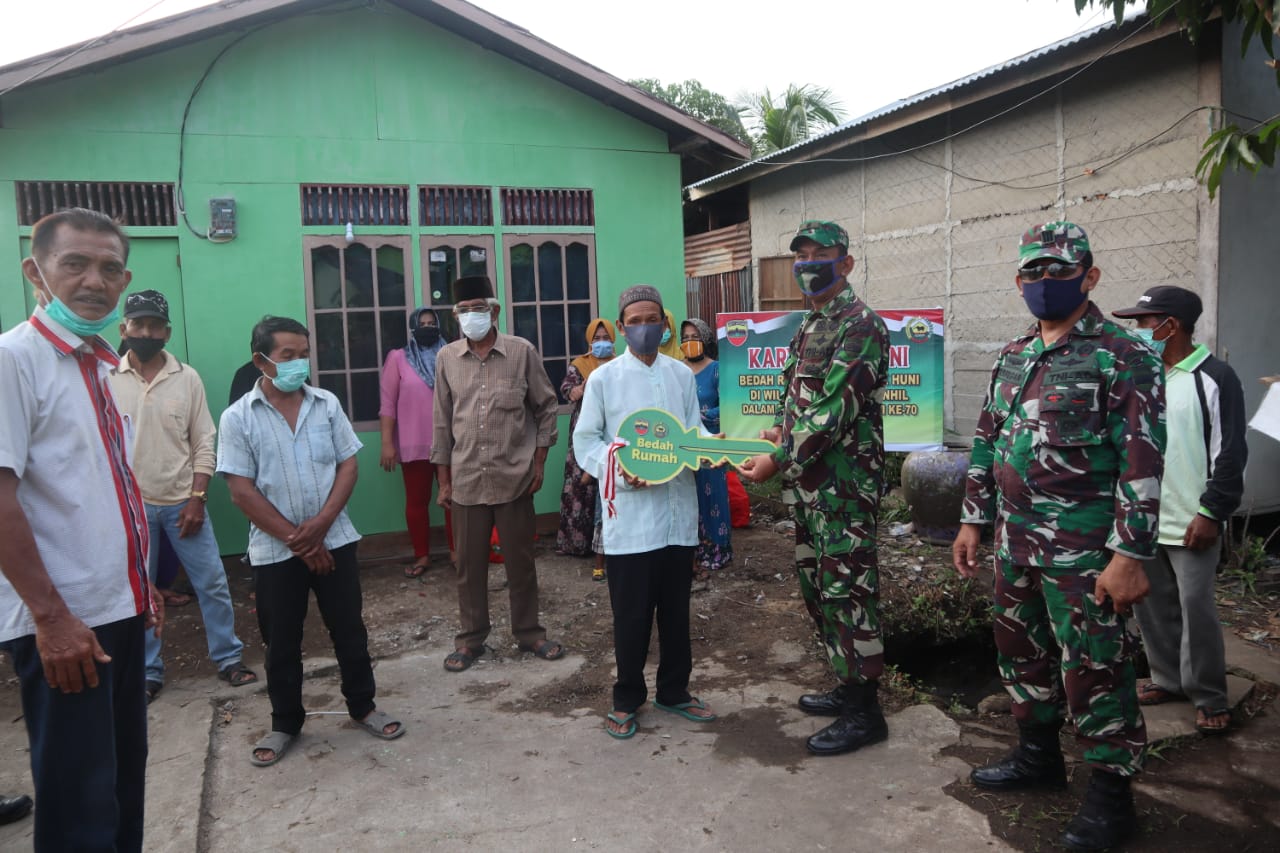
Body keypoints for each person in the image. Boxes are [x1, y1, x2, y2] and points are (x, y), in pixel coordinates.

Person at [952, 221, 1165, 852]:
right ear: (1020, 282)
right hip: (1015, 543)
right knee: (1021, 655)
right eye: (1033, 273)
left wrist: (1130, 553)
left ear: (1089, 276)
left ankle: (1109, 798)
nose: (1045, 283)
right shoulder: (1015, 355)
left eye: (1059, 271)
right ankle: (1038, 758)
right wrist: (972, 518)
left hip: (1085, 552)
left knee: (1097, 667)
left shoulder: (1124, 356)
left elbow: (1143, 462)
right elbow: (987, 441)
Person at [0, 207, 161, 851]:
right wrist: (51, 619)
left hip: (113, 613)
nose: (95, 280)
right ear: (35, 272)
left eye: (110, 267)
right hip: (66, 626)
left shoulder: (97, 364)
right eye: (76, 264)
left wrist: (139, 596)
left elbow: (101, 496)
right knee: (79, 809)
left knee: (121, 790)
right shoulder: (15, 359)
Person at [217, 316, 404, 766]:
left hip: (335, 537)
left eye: (304, 354)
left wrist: (320, 525)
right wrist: (299, 540)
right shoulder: (238, 417)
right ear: (261, 360)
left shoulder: (326, 404)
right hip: (274, 550)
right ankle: (285, 722)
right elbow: (241, 490)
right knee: (281, 639)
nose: (299, 363)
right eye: (288, 356)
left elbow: (348, 466)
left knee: (349, 629)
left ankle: (363, 706)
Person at [739, 220, 890, 758]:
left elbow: (833, 411)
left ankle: (865, 712)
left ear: (845, 262)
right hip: (811, 487)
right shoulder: (813, 323)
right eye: (800, 254)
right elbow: (802, 401)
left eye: (819, 253)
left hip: (843, 488)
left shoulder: (861, 324)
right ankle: (847, 684)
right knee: (818, 589)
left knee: (848, 592)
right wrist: (780, 429)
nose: (807, 263)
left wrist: (778, 456)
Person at [574, 285, 718, 738]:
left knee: (676, 612)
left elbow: (695, 432)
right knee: (632, 615)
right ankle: (627, 697)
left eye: (651, 319)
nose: (643, 328)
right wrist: (618, 466)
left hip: (677, 513)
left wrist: (734, 450)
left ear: (665, 323)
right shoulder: (604, 379)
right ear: (620, 328)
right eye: (633, 321)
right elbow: (586, 441)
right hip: (631, 520)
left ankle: (673, 691)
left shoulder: (680, 375)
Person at [108, 290, 258, 704]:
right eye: (138, 325)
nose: (147, 333)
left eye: (155, 326)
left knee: (211, 582)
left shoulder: (186, 377)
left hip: (181, 503)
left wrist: (197, 497)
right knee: (140, 592)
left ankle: (228, 658)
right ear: (124, 329)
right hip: (133, 509)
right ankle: (149, 671)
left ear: (167, 332)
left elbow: (204, 442)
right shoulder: (107, 378)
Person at [1111, 286, 1247, 735]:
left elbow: (1229, 451)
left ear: (1173, 324)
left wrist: (1212, 512)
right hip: (1145, 518)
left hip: (1193, 519)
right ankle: (1167, 679)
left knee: (1197, 610)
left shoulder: (1214, 377)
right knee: (1152, 607)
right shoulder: (1140, 375)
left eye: (1147, 322)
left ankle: (1208, 694)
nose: (1140, 330)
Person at [430, 276, 565, 672]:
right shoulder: (447, 359)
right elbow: (441, 422)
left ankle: (529, 634)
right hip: (467, 479)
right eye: (464, 309)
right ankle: (471, 640)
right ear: (455, 315)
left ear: (495, 310)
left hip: (514, 477)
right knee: (468, 567)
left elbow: (545, 408)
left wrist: (538, 463)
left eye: (478, 307)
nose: (472, 315)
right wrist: (443, 481)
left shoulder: (522, 352)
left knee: (520, 562)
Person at [380, 307, 455, 578]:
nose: (427, 327)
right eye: (421, 323)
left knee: (454, 499)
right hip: (414, 442)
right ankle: (422, 555)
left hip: (451, 441)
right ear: (413, 328)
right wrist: (387, 443)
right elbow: (388, 404)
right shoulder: (398, 358)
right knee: (417, 501)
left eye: (431, 323)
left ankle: (457, 552)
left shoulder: (452, 355)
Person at [557, 318, 617, 562]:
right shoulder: (579, 365)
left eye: (605, 338)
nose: (601, 343)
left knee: (608, 484)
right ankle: (577, 544)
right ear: (589, 341)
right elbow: (568, 392)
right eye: (596, 338)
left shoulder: (621, 364)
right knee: (580, 484)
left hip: (612, 431)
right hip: (584, 431)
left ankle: (607, 545)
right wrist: (585, 385)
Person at [680, 318, 733, 581]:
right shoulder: (677, 372)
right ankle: (691, 553)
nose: (690, 341)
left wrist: (699, 419)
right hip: (685, 447)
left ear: (706, 339)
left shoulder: (716, 370)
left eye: (695, 336)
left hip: (712, 444)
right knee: (689, 499)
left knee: (713, 497)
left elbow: (729, 406)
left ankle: (716, 550)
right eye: (686, 337)